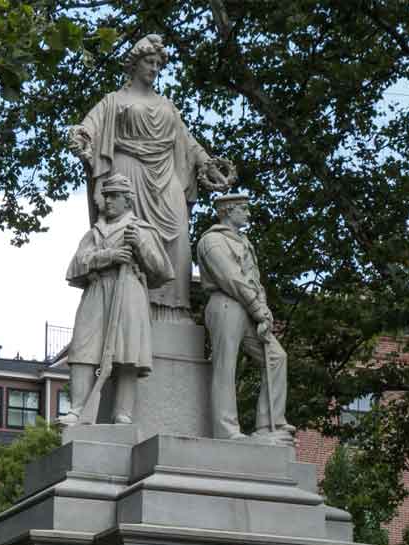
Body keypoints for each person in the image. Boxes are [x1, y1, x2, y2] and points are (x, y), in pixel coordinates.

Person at [69, 34, 232, 322]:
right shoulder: (114, 101)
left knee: (180, 236)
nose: (155, 68)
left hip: (166, 178)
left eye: (159, 63)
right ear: (134, 63)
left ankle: (174, 310)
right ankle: (131, 305)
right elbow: (89, 127)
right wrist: (81, 137)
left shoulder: (167, 106)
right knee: (130, 236)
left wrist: (208, 164)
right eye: (149, 61)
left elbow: (188, 143)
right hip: (127, 174)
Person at [62, 173, 174, 425]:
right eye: (106, 196)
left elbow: (163, 272)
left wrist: (141, 247)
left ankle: (123, 412)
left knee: (127, 352)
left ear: (127, 200)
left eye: (114, 196)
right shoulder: (95, 232)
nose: (108, 201)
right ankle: (77, 409)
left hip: (129, 291)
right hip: (97, 290)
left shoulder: (141, 230)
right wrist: (110, 256)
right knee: (83, 348)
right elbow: (76, 266)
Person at [197, 193, 294, 444]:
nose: (248, 214)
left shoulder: (244, 241)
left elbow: (254, 279)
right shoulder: (212, 240)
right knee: (226, 365)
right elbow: (230, 277)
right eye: (244, 209)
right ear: (229, 210)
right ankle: (226, 430)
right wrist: (256, 307)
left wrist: (263, 308)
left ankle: (268, 424)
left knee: (276, 357)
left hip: (250, 307)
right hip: (226, 303)